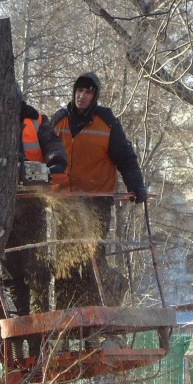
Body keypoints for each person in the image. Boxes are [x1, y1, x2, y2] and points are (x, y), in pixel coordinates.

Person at [51, 72, 147, 308]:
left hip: (96, 203)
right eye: (79, 91)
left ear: (95, 96)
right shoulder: (59, 119)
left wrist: (136, 184)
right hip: (65, 203)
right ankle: (67, 312)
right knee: (64, 258)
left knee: (93, 257)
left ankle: (97, 312)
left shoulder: (106, 122)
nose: (82, 96)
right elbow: (44, 154)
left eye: (88, 92)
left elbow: (125, 157)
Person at [1, 101, 67, 326]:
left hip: (32, 204)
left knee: (36, 264)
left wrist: (56, 162)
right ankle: (19, 320)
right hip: (1, 207)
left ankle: (40, 325)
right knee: (11, 269)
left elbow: (53, 143)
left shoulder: (36, 120)